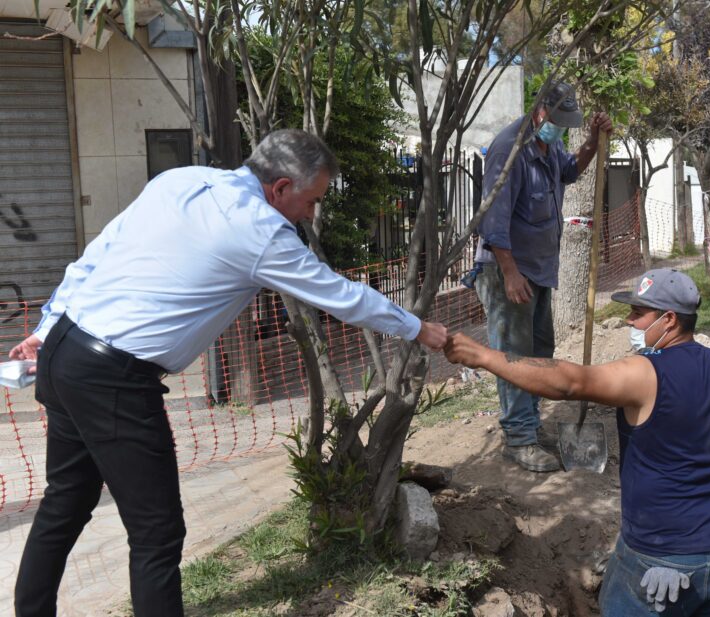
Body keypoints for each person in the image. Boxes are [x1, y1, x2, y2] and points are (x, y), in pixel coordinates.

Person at [9, 129, 448, 617]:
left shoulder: (180, 181)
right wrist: (417, 328)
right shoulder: (258, 231)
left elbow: (95, 254)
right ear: (280, 188)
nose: (311, 214)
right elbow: (341, 296)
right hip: (114, 378)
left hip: (66, 349)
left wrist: (48, 326)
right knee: (157, 529)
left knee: (65, 500)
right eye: (311, 201)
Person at [445, 268, 710, 615]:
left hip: (660, 559)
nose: (629, 321)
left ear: (669, 319)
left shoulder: (645, 373)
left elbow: (569, 383)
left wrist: (483, 356)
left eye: (639, 314)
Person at [474, 80, 613, 472]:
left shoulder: (549, 145)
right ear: (539, 113)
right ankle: (518, 440)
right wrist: (510, 273)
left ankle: (530, 426)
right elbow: (493, 219)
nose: (560, 129)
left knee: (540, 352)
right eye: (557, 121)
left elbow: (569, 171)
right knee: (516, 357)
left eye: (568, 124)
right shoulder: (509, 149)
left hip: (538, 270)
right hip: (509, 271)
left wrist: (591, 141)